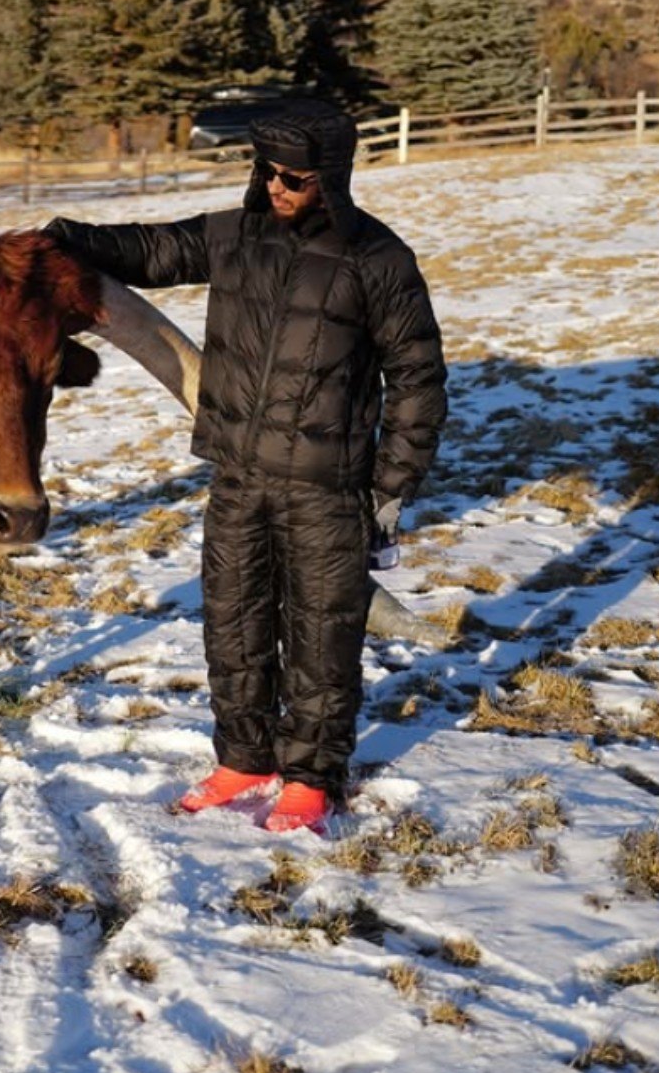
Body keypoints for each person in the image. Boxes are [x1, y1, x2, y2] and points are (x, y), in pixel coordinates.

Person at [46, 90, 447, 833]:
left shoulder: (378, 259)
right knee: (233, 627)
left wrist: (392, 485)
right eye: (268, 171)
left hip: (328, 489)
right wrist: (63, 237)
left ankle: (310, 779)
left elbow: (418, 378)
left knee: (322, 638)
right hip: (237, 475)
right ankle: (244, 760)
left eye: (294, 177)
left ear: (330, 177)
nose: (277, 187)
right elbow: (149, 250)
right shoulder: (233, 235)